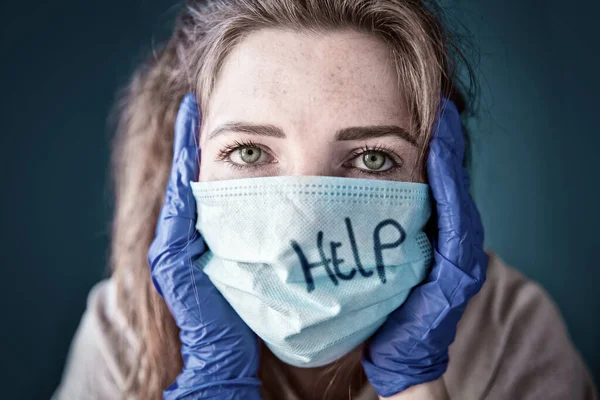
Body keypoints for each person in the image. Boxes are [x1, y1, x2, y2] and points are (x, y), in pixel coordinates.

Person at [53, 0, 597, 399]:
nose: (303, 219)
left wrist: (416, 384)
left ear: (439, 181)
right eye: (246, 151)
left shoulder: (510, 330)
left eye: (373, 158)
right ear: (187, 163)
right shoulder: (122, 331)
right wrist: (213, 382)